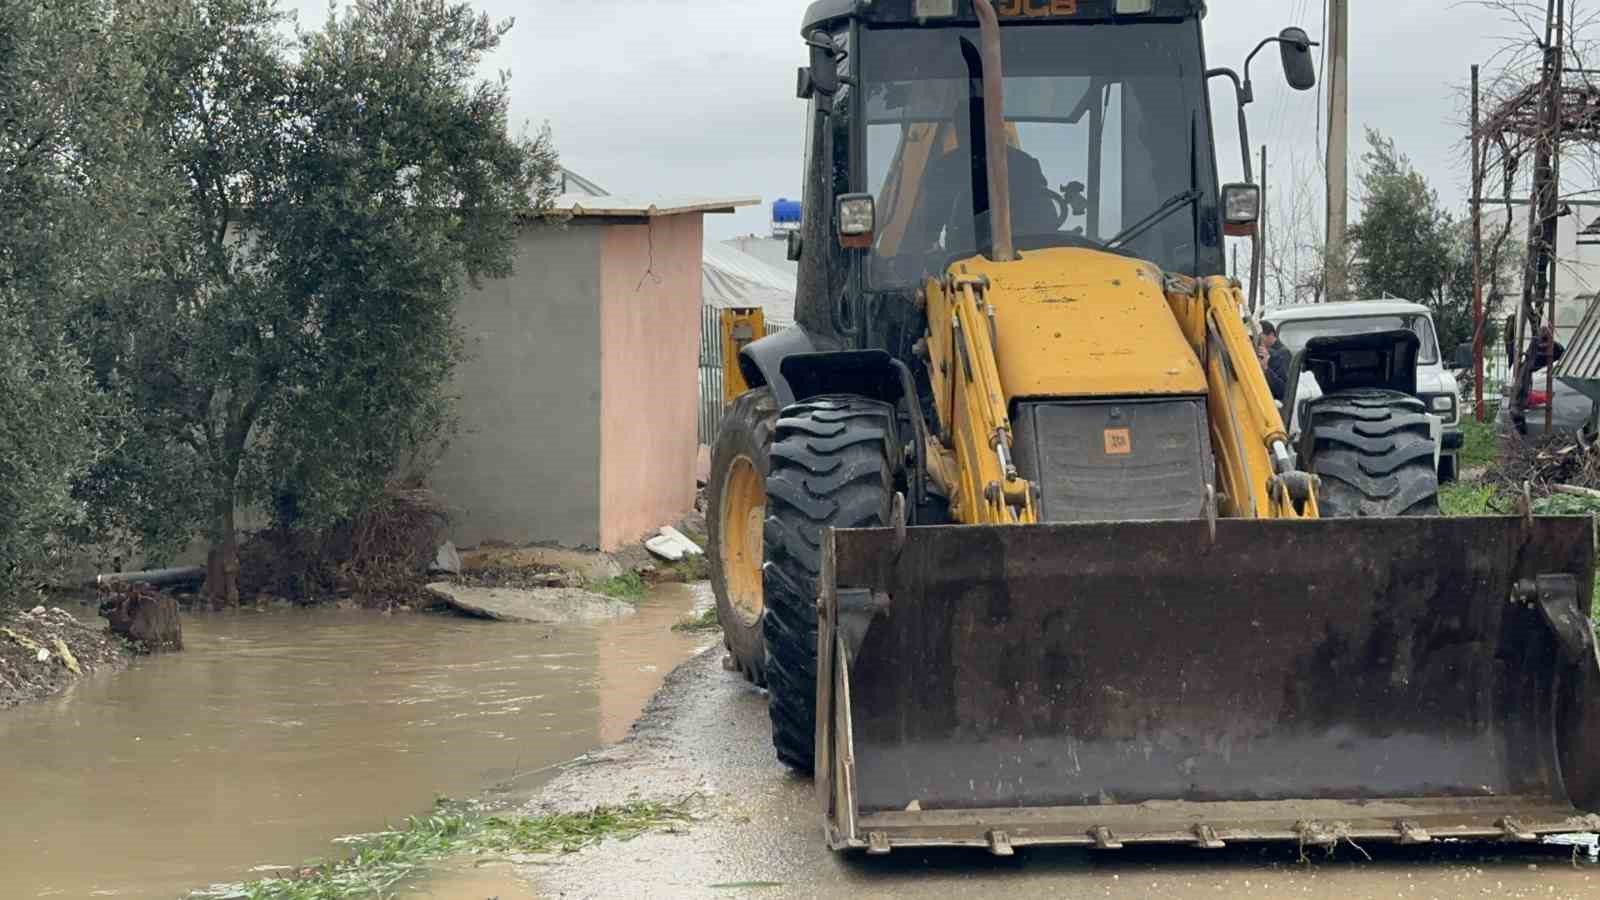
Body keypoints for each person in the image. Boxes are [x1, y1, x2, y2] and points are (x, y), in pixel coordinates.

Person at [899, 110, 1059, 269]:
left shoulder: (1024, 165)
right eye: (966, 127)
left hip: (1017, 257)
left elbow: (1046, 217)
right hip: (966, 262)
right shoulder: (945, 170)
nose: (971, 132)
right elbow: (928, 227)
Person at [1257, 321, 1291, 400]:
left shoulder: (1280, 354)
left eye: (1261, 338)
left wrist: (1265, 368)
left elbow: (1284, 390)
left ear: (1271, 335)